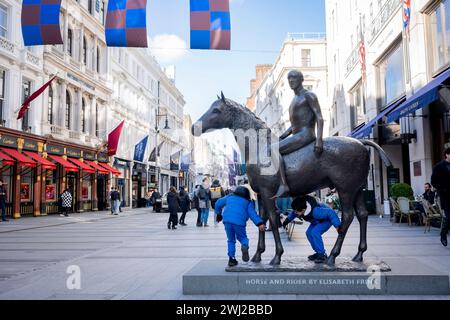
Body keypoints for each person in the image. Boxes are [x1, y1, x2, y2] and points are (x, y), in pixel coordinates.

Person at [272, 70, 324, 198]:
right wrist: (283, 136)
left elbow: (319, 118)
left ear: (301, 80)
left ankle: (283, 185)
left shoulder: (309, 95)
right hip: (297, 134)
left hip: (305, 134)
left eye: (294, 78)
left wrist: (319, 140)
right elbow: (295, 124)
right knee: (274, 145)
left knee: (273, 149)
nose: (291, 81)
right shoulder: (294, 99)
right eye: (289, 78)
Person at [215, 186, 266, 267]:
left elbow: (218, 203)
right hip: (239, 222)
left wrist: (218, 214)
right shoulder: (248, 202)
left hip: (227, 221)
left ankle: (231, 259)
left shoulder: (229, 197)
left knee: (231, 240)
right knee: (243, 238)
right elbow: (252, 214)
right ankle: (244, 246)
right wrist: (259, 223)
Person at [282, 195, 342, 264]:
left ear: (303, 210)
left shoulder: (315, 211)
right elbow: (293, 213)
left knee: (315, 232)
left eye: (297, 212)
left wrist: (338, 226)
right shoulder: (300, 207)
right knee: (308, 233)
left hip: (326, 220)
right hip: (316, 221)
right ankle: (318, 253)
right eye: (295, 211)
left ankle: (322, 255)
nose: (295, 213)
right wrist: (286, 221)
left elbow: (330, 212)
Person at [431, 147, 450, 247]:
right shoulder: (439, 167)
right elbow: (433, 181)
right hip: (445, 196)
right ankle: (443, 234)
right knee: (449, 217)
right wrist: (442, 189)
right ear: (446, 154)